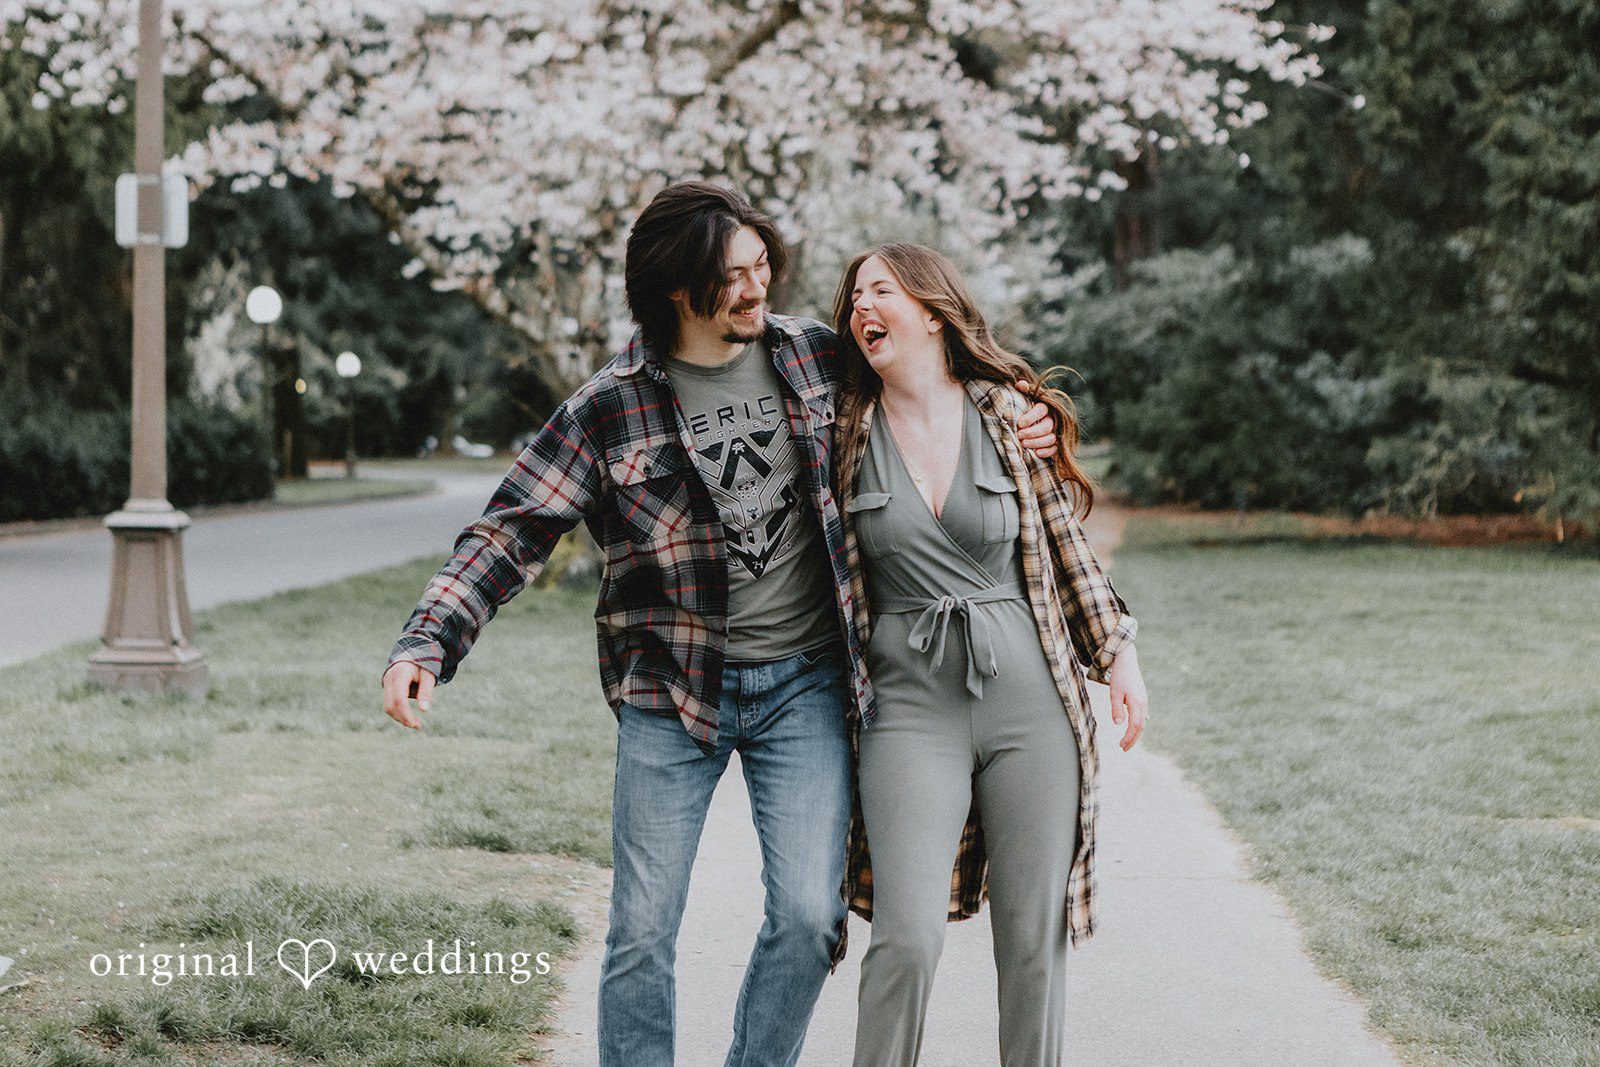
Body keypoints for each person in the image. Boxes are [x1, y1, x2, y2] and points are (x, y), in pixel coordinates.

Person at [379, 184, 1060, 1067]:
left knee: (812, 918)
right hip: (672, 691)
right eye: (731, 277)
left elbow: (930, 380)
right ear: (675, 288)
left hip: (804, 684)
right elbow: (513, 528)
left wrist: (1016, 407)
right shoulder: (610, 405)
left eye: (760, 268)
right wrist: (429, 639)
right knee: (643, 928)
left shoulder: (815, 358)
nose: (755, 289)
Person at [831, 243, 1149, 1067]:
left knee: (1033, 942)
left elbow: (1063, 543)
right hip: (908, 711)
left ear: (932, 311)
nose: (862, 306)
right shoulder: (840, 428)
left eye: (881, 291)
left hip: (1031, 707)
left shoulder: (1008, 416)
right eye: (853, 296)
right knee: (905, 937)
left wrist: (1119, 656)